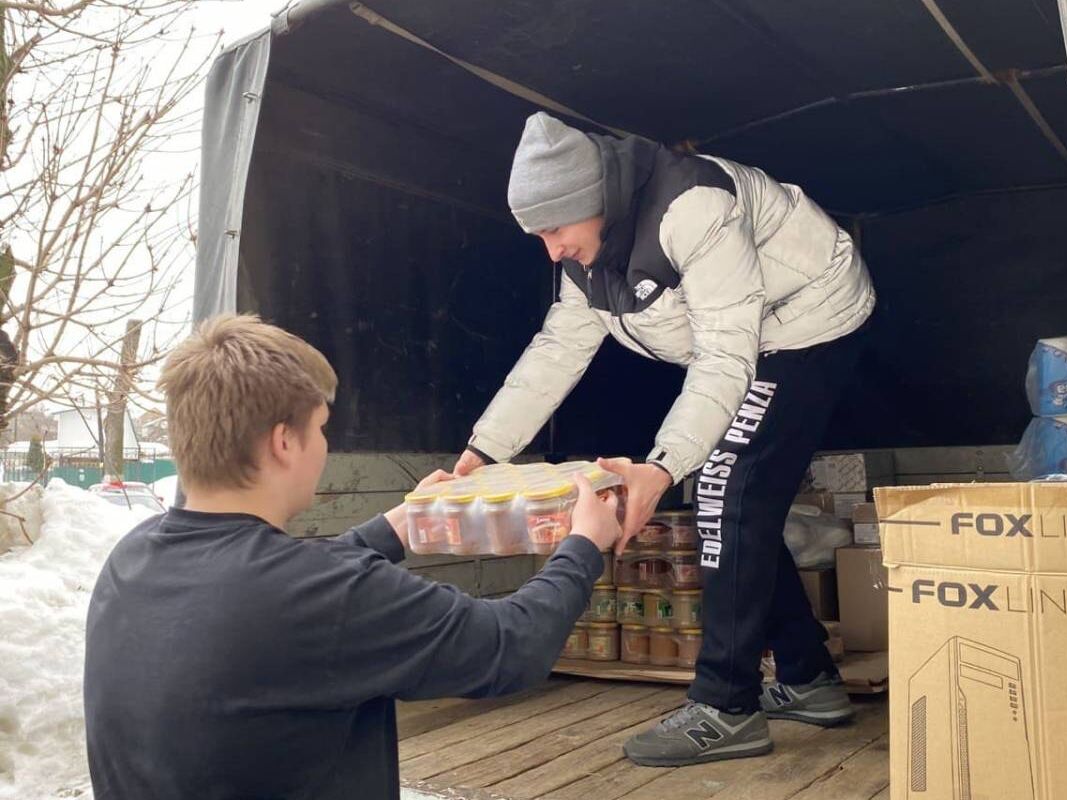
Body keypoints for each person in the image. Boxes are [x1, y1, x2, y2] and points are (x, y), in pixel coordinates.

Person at [454, 113, 876, 766]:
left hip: (804, 321)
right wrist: (481, 454)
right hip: (748, 335)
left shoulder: (691, 208)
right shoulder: (583, 254)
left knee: (724, 490)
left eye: (556, 229)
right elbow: (559, 348)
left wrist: (662, 467)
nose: (552, 250)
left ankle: (726, 705)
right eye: (538, 235)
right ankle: (808, 676)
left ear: (590, 203)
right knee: (736, 501)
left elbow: (725, 356)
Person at [83, 315, 622, 799]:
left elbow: (281, 589)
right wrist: (582, 545)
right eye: (319, 428)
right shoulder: (325, 592)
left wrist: (396, 526)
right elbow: (512, 646)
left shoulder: (132, 559)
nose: (324, 446)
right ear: (283, 443)